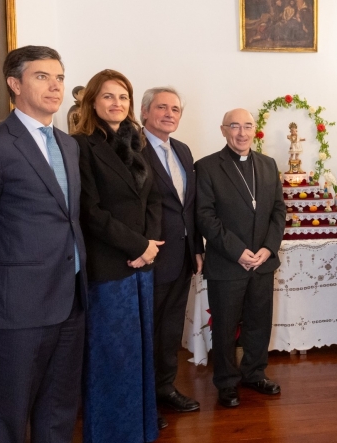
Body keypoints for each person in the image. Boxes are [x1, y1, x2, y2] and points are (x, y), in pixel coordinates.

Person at [0, 45, 85, 443]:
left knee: (60, 407)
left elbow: (67, 218)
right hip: (18, 305)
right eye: (42, 76)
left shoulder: (68, 144)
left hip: (71, 298)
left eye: (59, 77)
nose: (55, 86)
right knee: (11, 412)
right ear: (14, 84)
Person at [73, 69, 163, 441]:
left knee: (140, 354)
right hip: (108, 267)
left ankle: (139, 429)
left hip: (142, 266)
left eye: (124, 97)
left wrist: (150, 246)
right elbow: (89, 211)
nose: (117, 103)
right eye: (109, 96)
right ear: (93, 101)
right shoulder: (80, 146)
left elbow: (154, 199)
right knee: (112, 358)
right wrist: (137, 246)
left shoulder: (136, 142)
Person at [196, 108, 286, 408]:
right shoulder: (207, 167)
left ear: (255, 130)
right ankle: (226, 382)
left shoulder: (268, 164)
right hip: (227, 263)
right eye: (235, 126)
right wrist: (238, 251)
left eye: (248, 126)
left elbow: (277, 211)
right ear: (223, 130)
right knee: (224, 326)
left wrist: (268, 248)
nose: (242, 132)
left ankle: (254, 373)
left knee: (259, 322)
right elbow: (205, 217)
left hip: (262, 262)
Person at [141, 87, 203, 415]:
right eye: (162, 107)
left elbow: (187, 207)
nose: (169, 114)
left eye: (175, 109)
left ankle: (165, 388)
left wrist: (196, 247)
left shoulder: (183, 150)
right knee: (146, 331)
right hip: (148, 258)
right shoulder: (132, 149)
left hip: (181, 258)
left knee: (170, 330)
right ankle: (143, 399)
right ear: (145, 112)